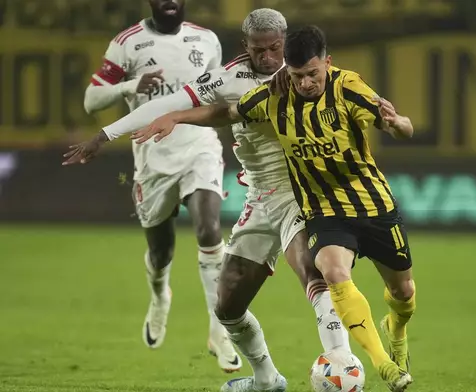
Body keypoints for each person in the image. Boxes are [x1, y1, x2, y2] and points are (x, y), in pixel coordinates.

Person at [64, 10, 352, 392]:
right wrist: (105, 135)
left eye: (275, 49)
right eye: (259, 50)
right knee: (227, 304)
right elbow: (171, 103)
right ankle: (266, 380)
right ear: (244, 47)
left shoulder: (306, 74)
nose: (268, 58)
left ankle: (344, 364)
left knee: (308, 268)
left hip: (300, 192)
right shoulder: (229, 76)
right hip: (260, 197)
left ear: (285, 43)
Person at [131, 25, 416, 392]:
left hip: (367, 203)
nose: (306, 83)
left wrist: (397, 124)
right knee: (310, 277)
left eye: (313, 74)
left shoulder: (348, 86)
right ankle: (360, 369)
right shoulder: (273, 97)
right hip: (317, 206)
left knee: (402, 293)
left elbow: (400, 124)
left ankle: (387, 336)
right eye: (297, 76)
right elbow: (227, 111)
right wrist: (176, 117)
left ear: (327, 63)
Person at [76, 0, 241, 372]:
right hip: (151, 160)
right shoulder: (128, 42)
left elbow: (218, 96)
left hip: (199, 147)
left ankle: (220, 330)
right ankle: (159, 294)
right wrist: (131, 85)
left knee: (210, 229)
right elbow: (91, 100)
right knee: (161, 252)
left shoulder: (207, 40)